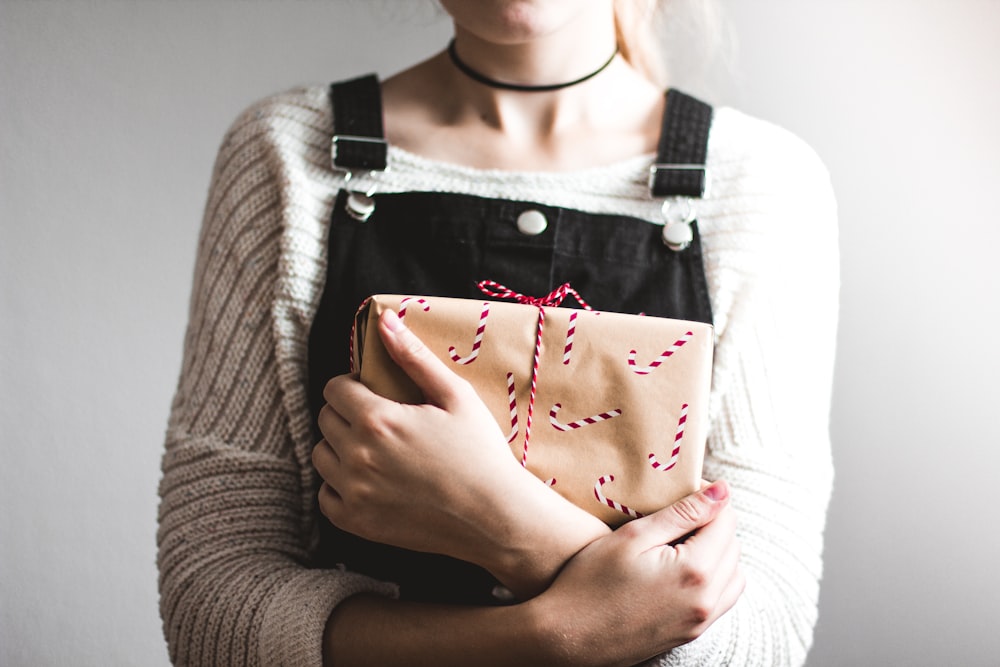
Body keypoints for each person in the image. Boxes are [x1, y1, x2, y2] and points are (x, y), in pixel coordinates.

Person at [157, 1, 838, 665]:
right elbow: (209, 614)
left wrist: (499, 516)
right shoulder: (287, 155)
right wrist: (550, 634)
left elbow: (764, 638)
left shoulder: (761, 184)